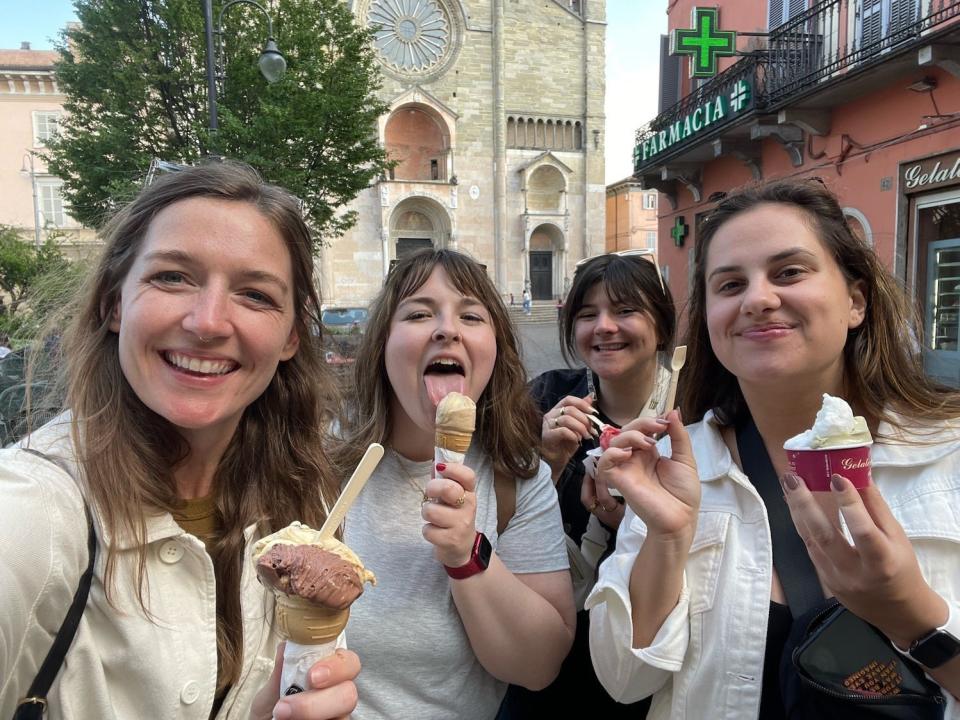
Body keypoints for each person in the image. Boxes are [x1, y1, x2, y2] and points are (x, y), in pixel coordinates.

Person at [0, 162, 362, 720]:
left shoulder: (305, 506)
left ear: (291, 336)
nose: (209, 321)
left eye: (255, 295)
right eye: (172, 277)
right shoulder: (28, 513)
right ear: (114, 303)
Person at [588, 179, 960, 719]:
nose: (758, 299)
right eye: (730, 284)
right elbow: (625, 681)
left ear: (855, 301)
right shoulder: (677, 469)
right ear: (712, 321)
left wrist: (914, 621)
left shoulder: (949, 453)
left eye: (789, 272)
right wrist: (667, 539)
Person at [334, 248, 575, 719]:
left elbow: (539, 666)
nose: (447, 329)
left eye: (470, 315)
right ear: (382, 344)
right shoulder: (316, 458)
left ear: (495, 349)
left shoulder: (517, 477)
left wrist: (467, 556)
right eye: (420, 314)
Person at [502, 251, 675, 717]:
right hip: (555, 641)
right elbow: (498, 529)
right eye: (587, 314)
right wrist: (547, 464)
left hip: (652, 644)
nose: (604, 326)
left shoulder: (689, 415)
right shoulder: (543, 398)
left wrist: (627, 524)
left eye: (624, 311)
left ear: (660, 324)